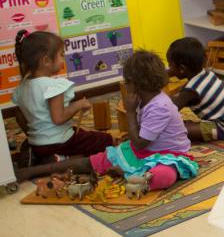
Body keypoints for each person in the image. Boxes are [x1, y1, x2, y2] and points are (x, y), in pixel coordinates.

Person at [15, 51, 198, 190]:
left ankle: (132, 174)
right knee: (91, 162)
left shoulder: (160, 106)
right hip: (143, 152)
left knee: (163, 175)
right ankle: (31, 172)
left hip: (168, 155)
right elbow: (139, 142)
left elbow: (140, 143)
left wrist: (130, 113)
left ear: (133, 83)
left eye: (126, 81)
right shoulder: (147, 99)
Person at [12, 31, 112, 167]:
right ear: (46, 61)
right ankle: (62, 159)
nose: (63, 60)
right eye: (61, 55)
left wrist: (34, 134)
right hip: (60, 141)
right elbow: (58, 118)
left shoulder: (22, 88)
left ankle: (46, 157)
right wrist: (79, 104)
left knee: (81, 133)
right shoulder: (53, 86)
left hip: (37, 143)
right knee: (105, 140)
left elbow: (19, 116)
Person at [167, 37, 224, 142]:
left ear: (182, 69)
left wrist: (156, 95)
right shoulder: (205, 73)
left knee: (176, 130)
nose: (169, 68)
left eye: (170, 65)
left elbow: (171, 109)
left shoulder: (191, 91)